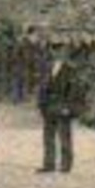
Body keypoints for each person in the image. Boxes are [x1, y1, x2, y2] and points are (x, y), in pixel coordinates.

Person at [37, 41, 87, 174]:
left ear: (65, 52)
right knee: (48, 137)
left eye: (59, 50)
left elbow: (75, 90)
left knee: (64, 137)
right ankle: (49, 164)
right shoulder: (47, 67)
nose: (56, 53)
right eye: (54, 50)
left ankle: (66, 165)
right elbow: (42, 87)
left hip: (62, 105)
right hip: (48, 106)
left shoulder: (71, 69)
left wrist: (69, 107)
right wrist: (41, 104)